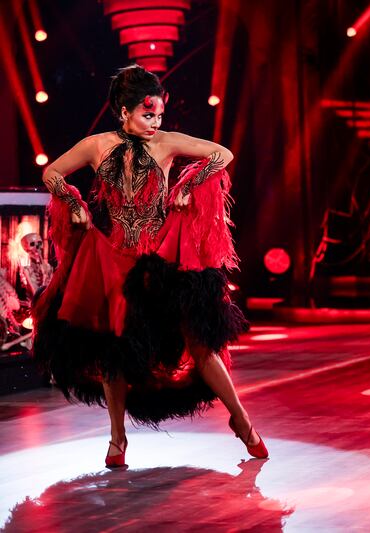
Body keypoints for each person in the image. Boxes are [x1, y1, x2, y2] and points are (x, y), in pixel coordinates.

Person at [34, 65, 268, 468]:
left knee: (201, 343)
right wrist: (74, 203)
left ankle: (242, 420)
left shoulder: (167, 142)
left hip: (162, 260)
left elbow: (222, 154)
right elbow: (51, 172)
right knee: (113, 349)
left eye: (159, 115)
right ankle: (117, 438)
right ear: (123, 111)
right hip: (114, 258)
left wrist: (188, 186)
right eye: (147, 115)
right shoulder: (96, 145)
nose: (154, 123)